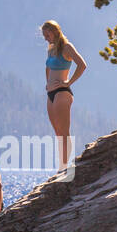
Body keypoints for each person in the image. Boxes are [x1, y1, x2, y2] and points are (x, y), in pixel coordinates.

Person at [41, 19, 86, 173]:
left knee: (64, 131)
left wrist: (68, 82)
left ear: (55, 31)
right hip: (51, 94)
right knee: (58, 133)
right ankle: (62, 166)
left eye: (47, 34)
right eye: (44, 35)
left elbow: (82, 65)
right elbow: (47, 68)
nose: (45, 38)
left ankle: (65, 167)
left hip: (62, 93)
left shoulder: (67, 47)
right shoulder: (51, 49)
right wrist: (48, 84)